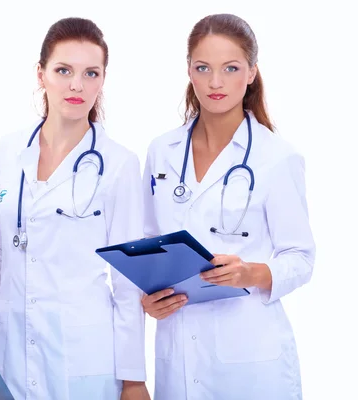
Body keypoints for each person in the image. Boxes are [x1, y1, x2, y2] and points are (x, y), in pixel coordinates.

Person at [0, 17, 150, 400]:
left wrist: (134, 379)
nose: (77, 85)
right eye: (63, 70)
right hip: (12, 353)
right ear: (41, 74)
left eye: (91, 73)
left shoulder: (119, 164)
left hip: (86, 358)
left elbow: (127, 282)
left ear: (103, 80)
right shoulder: (9, 151)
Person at [141, 13, 316, 400]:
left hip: (251, 358)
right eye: (203, 68)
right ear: (189, 70)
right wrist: (149, 298)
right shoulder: (162, 152)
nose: (215, 82)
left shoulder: (276, 157)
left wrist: (250, 272)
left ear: (252, 72)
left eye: (230, 68)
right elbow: (150, 243)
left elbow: (301, 258)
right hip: (178, 352)